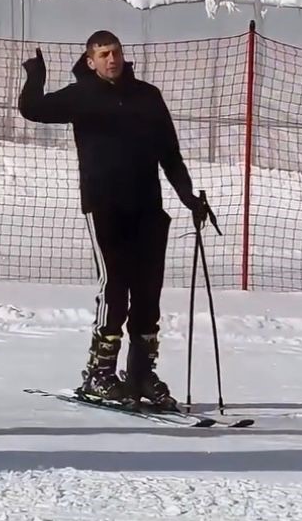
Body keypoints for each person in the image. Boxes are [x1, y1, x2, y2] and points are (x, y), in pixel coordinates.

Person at [18, 31, 210, 409]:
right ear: (90, 61)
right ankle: (99, 374)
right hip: (105, 207)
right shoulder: (81, 96)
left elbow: (170, 153)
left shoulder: (148, 97)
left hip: (148, 208)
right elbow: (32, 109)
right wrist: (35, 76)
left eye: (116, 52)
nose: (112, 59)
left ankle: (140, 374)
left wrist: (188, 196)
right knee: (115, 289)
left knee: (148, 293)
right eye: (104, 54)